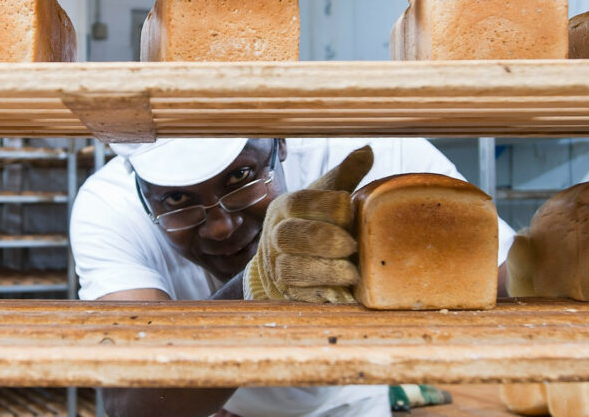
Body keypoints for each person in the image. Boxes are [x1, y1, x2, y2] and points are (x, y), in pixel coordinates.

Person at [70, 136, 515, 417]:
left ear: (280, 144)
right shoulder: (108, 207)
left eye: (241, 177)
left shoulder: (373, 151)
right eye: (176, 200)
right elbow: (132, 402)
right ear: (141, 194)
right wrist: (254, 285)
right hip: (211, 408)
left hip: (353, 400)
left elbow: (502, 285)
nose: (221, 227)